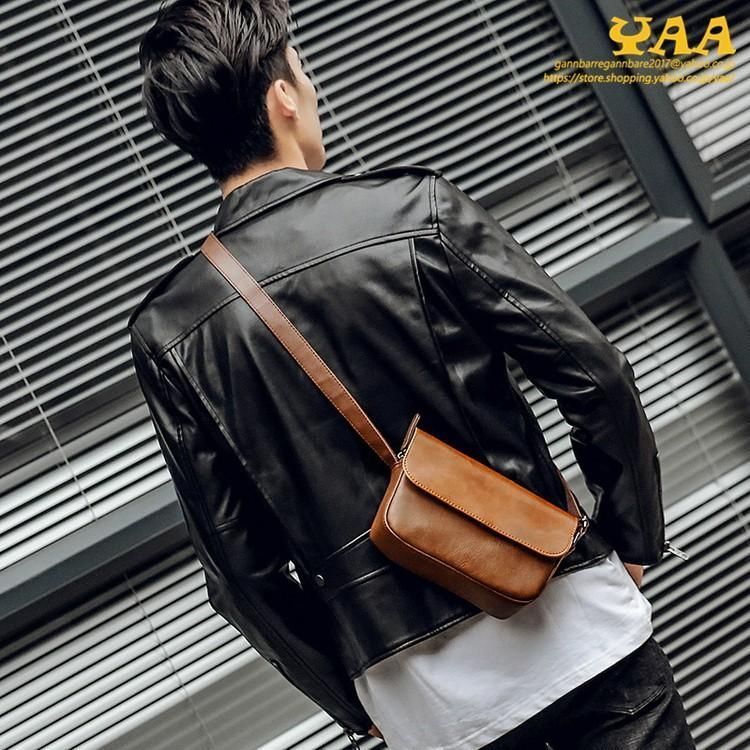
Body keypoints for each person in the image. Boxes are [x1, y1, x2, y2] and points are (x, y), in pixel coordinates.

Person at [131, 1, 695, 748]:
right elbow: (597, 378)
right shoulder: (414, 212)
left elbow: (239, 570)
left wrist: (352, 696)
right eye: (302, 70)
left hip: (431, 712)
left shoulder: (170, 331)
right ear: (283, 96)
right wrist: (630, 539)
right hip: (575, 628)